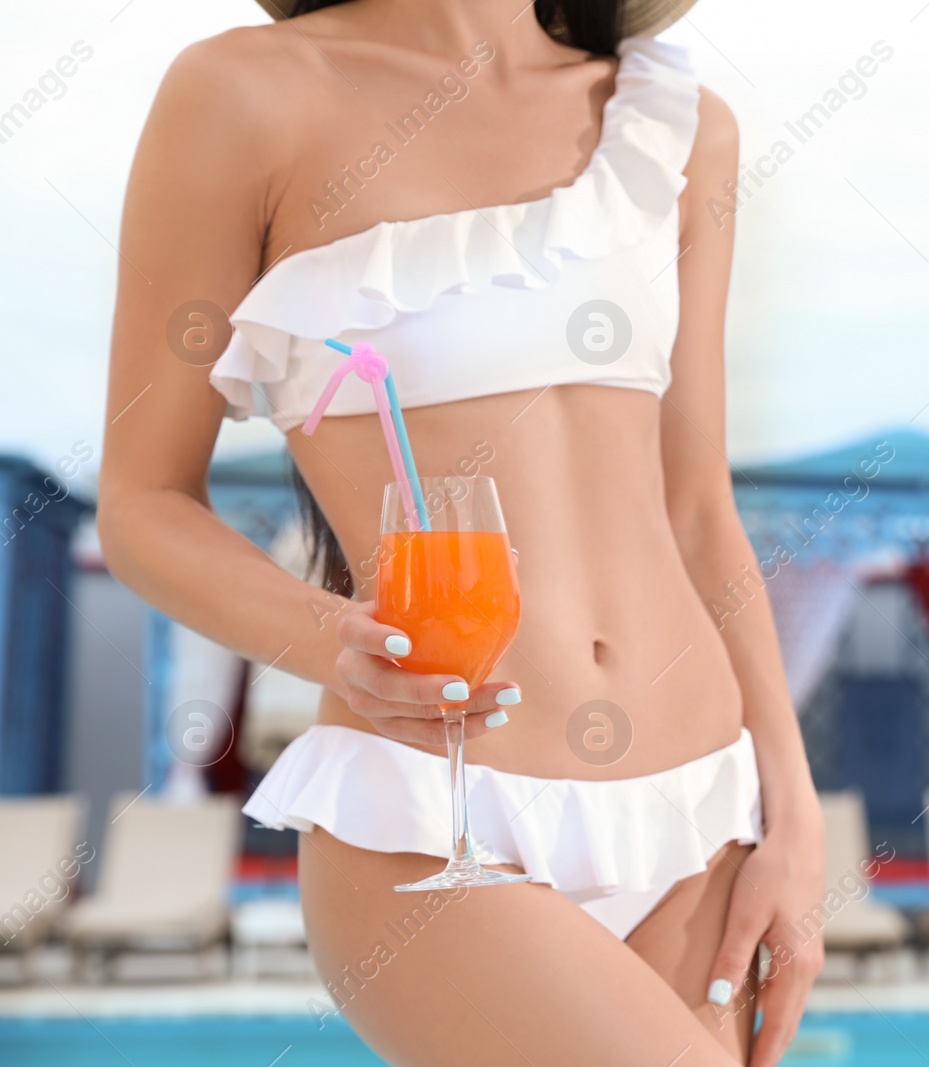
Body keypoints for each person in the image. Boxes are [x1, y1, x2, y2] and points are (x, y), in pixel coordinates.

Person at [97, 1, 824, 1064]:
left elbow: (697, 504)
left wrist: (792, 809)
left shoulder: (677, 121)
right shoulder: (243, 95)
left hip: (701, 803)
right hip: (432, 811)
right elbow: (144, 503)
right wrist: (331, 639)